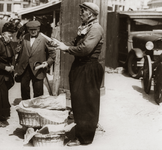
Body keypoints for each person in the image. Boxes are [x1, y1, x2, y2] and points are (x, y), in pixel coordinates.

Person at [54, 2, 104, 146]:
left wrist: (66, 48)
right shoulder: (85, 27)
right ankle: (82, 132)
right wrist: (59, 44)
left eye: (83, 11)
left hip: (88, 68)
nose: (80, 13)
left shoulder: (96, 28)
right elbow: (74, 43)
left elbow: (85, 49)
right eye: (81, 11)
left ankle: (85, 138)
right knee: (78, 102)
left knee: (87, 104)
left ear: (91, 13)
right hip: (80, 67)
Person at [15, 20, 56, 100]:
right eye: (31, 30)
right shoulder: (24, 37)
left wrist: (47, 63)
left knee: (38, 92)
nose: (33, 31)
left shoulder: (44, 39)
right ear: (28, 30)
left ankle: (36, 109)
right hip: (25, 68)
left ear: (38, 29)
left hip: (38, 68)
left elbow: (52, 54)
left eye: (35, 29)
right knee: (24, 89)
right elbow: (19, 51)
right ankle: (26, 107)